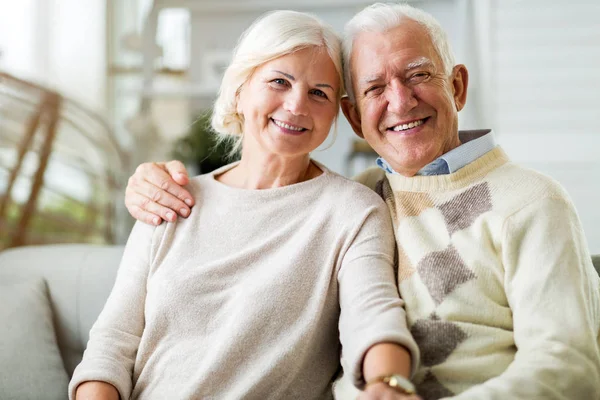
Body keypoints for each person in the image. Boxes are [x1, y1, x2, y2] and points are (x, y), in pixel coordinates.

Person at [124, 2, 600, 400]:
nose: (400, 100)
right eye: (374, 88)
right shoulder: (362, 198)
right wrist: (150, 181)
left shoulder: (533, 201)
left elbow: (568, 368)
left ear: (456, 86)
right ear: (353, 117)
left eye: (417, 74)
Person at [70, 10, 422, 400]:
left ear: (335, 113)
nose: (296, 105)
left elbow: (372, 316)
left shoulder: (352, 210)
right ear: (239, 90)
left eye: (319, 93)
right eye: (279, 81)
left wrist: (387, 383)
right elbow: (111, 345)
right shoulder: (169, 197)